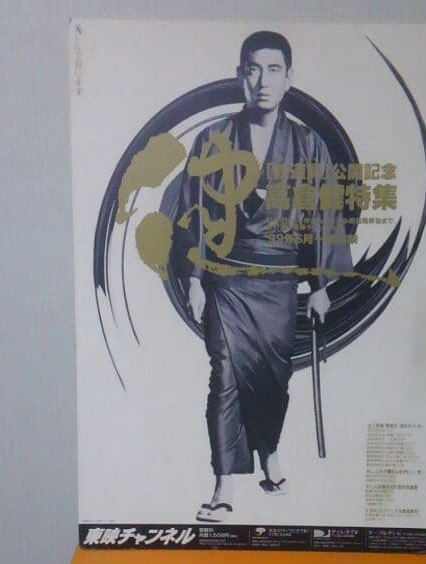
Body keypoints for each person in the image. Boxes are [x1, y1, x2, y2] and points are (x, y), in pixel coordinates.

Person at [174, 31, 352, 522]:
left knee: (273, 379)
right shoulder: (213, 140)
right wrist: (194, 278)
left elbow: (322, 216)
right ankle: (223, 485)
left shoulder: (309, 145)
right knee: (225, 375)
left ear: (289, 78)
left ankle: (269, 453)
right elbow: (195, 210)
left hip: (279, 283)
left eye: (274, 70)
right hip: (227, 279)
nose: (263, 81)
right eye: (254, 69)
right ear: (241, 76)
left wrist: (320, 287)